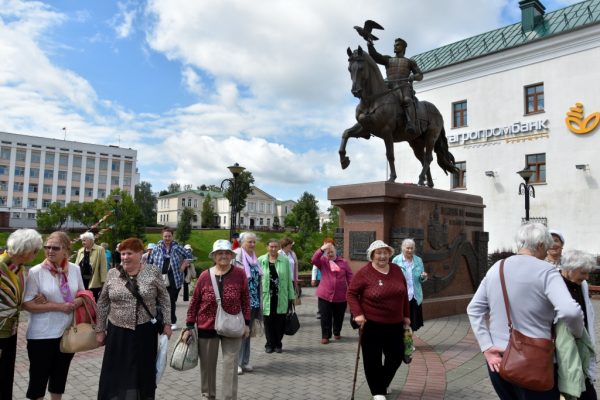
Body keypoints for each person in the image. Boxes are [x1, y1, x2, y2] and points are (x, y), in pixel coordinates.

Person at [467, 223, 584, 400]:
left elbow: (473, 309)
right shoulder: (547, 271)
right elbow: (570, 312)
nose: (546, 252)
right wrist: (577, 333)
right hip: (535, 363)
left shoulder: (496, 268)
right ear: (539, 245)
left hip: (498, 361)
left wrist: (486, 346)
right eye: (546, 247)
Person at [95, 237, 172, 400]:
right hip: (117, 332)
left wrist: (167, 323)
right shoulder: (113, 273)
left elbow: (165, 298)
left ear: (140, 254)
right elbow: (103, 302)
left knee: (142, 371)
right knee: (116, 371)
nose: (125, 257)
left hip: (145, 332)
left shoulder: (152, 272)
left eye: (129, 253)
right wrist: (100, 329)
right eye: (122, 254)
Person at [22, 231, 86, 400]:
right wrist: (59, 306)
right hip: (41, 334)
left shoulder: (75, 269)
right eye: (47, 247)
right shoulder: (36, 272)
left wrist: (76, 303)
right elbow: (27, 303)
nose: (50, 251)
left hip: (67, 333)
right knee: (38, 380)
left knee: (59, 378)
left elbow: (82, 293)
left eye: (55, 248)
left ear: (65, 250)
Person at [184, 240, 250, 400]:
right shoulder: (205, 276)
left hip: (232, 325)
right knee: (207, 366)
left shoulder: (240, 273)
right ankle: (208, 395)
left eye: (227, 253)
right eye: (220, 253)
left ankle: (229, 397)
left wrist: (247, 323)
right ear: (214, 256)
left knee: (230, 365)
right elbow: (194, 302)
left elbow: (245, 299)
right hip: (207, 325)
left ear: (231, 255)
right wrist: (189, 326)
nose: (224, 256)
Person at [347, 240, 410, 400]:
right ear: (372, 255)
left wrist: (407, 316)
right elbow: (351, 294)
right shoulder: (364, 273)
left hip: (395, 324)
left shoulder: (396, 270)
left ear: (389, 254)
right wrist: (358, 314)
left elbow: (404, 295)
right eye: (378, 253)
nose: (382, 256)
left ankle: (383, 382)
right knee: (372, 359)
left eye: (385, 253)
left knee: (396, 356)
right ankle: (378, 392)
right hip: (371, 324)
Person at [0, 229, 43, 400]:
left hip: (10, 332)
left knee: (5, 377)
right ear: (26, 250)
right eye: (35, 250)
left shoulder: (17, 268)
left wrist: (36, 298)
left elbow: (16, 298)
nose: (36, 253)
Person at [559, 250, 597, 399]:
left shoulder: (583, 284)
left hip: (582, 344)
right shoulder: (555, 283)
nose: (586, 277)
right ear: (569, 269)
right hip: (564, 349)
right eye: (583, 273)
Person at [366, 37, 423, 136]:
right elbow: (375, 56)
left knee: (407, 100)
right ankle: (367, 121)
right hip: (389, 86)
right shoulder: (388, 59)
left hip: (403, 86)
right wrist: (370, 44)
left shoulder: (410, 62)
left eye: (397, 45)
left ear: (403, 47)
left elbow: (420, 75)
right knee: (373, 97)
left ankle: (410, 123)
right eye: (394, 45)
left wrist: (413, 77)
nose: (395, 46)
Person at [148, 227, 191, 330]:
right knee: (159, 300)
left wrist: (184, 265)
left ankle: (172, 321)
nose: (167, 238)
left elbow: (189, 255)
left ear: (172, 236)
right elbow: (150, 262)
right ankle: (160, 320)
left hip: (174, 277)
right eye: (165, 236)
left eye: (169, 236)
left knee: (170, 300)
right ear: (162, 236)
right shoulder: (156, 248)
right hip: (159, 277)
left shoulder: (177, 247)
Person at [311, 238, 353, 344]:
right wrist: (321, 249)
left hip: (341, 295)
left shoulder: (343, 262)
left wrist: (352, 290)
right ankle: (325, 335)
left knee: (339, 316)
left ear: (335, 251)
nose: (329, 253)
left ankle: (337, 331)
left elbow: (350, 276)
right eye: (327, 252)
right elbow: (314, 259)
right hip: (325, 294)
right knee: (325, 316)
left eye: (331, 251)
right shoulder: (323, 261)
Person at [259, 238, 295, 354]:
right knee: (268, 322)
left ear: (279, 248)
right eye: (271, 246)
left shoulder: (284, 260)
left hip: (281, 296)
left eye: (275, 247)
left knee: (280, 321)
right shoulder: (261, 260)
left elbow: (289, 279)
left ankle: (278, 344)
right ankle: (269, 344)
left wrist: (291, 296)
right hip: (266, 297)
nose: (273, 249)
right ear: (267, 247)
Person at [234, 232, 262, 375]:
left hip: (254, 302)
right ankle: (237, 363)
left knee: (247, 333)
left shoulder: (254, 258)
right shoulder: (236, 256)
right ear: (242, 242)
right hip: (241, 303)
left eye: (253, 242)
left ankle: (245, 361)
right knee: (239, 333)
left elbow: (258, 281)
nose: (252, 244)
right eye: (249, 242)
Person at [392, 238, 428, 332]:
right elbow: (391, 278)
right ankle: (402, 342)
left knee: (413, 321)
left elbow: (421, 279)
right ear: (402, 248)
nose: (410, 250)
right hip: (402, 296)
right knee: (402, 320)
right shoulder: (396, 260)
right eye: (408, 248)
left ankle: (409, 342)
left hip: (415, 296)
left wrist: (423, 277)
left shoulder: (418, 260)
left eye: (412, 248)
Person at [75, 232, 107, 301]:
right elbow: (76, 266)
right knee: (83, 300)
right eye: (82, 240)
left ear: (91, 240)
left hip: (94, 281)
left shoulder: (100, 249)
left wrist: (103, 281)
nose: (83, 242)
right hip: (82, 281)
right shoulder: (80, 251)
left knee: (93, 301)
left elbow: (103, 266)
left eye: (84, 240)